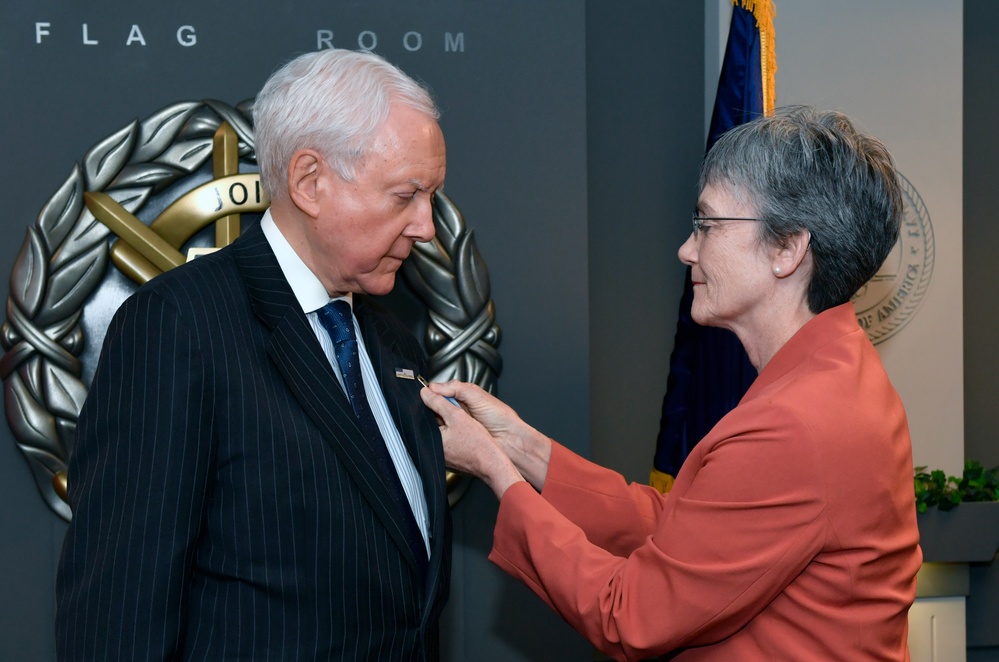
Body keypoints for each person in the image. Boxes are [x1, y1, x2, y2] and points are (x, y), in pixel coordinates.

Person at [421, 106, 921, 661]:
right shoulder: (830, 374)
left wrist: (494, 473)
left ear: (788, 250)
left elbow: (628, 615)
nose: (687, 249)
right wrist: (517, 446)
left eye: (707, 226)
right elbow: (685, 533)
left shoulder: (796, 424)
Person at [56, 48, 451, 660]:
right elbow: (119, 612)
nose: (426, 226)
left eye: (432, 197)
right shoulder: (178, 327)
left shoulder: (392, 341)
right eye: (405, 195)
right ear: (309, 181)